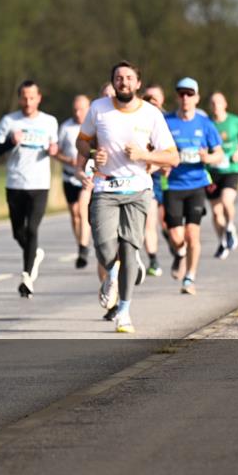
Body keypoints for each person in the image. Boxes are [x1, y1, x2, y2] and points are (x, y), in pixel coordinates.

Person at [76, 62, 178, 334]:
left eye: (128, 78)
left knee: (130, 250)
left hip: (138, 190)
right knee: (104, 247)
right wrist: (92, 152)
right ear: (113, 82)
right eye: (118, 78)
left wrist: (144, 156)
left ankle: (124, 312)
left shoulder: (151, 114)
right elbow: (82, 140)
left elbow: (172, 156)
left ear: (138, 84)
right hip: (105, 189)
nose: (123, 82)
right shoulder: (98, 108)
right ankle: (111, 272)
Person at [0, 81, 60, 297]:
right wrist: (11, 142)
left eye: (32, 97)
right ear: (19, 98)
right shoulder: (9, 121)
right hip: (15, 183)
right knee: (18, 232)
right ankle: (35, 253)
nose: (28, 102)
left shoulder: (50, 122)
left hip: (39, 184)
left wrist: (53, 150)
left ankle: (27, 277)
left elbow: (54, 147)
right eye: (24, 97)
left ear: (39, 98)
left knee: (32, 230)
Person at [163, 78, 224, 295]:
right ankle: (179, 254)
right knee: (177, 237)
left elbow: (219, 153)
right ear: (177, 97)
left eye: (190, 94)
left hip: (197, 184)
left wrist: (208, 157)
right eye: (181, 94)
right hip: (173, 186)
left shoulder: (205, 124)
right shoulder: (166, 121)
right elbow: (154, 148)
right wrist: (163, 162)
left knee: (192, 234)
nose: (185, 98)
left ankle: (190, 277)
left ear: (197, 98)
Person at [206, 92, 238, 258]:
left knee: (226, 201)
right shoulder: (207, 123)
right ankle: (223, 241)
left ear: (225, 104)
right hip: (212, 172)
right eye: (212, 102)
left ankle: (230, 226)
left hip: (231, 169)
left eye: (218, 102)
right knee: (216, 213)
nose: (216, 105)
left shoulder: (235, 121)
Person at [56, 95, 93, 269]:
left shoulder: (94, 127)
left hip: (86, 176)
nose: (78, 113)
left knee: (82, 209)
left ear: (89, 108)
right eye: (75, 109)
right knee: (74, 214)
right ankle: (81, 244)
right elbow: (56, 152)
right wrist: (67, 160)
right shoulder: (65, 127)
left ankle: (84, 249)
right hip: (69, 175)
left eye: (82, 109)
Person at [141, 84, 168, 277]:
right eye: (148, 98)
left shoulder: (168, 121)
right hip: (145, 177)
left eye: (155, 99)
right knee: (149, 221)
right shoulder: (137, 120)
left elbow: (174, 152)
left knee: (167, 222)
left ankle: (175, 245)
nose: (152, 102)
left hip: (167, 178)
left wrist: (162, 163)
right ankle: (153, 259)